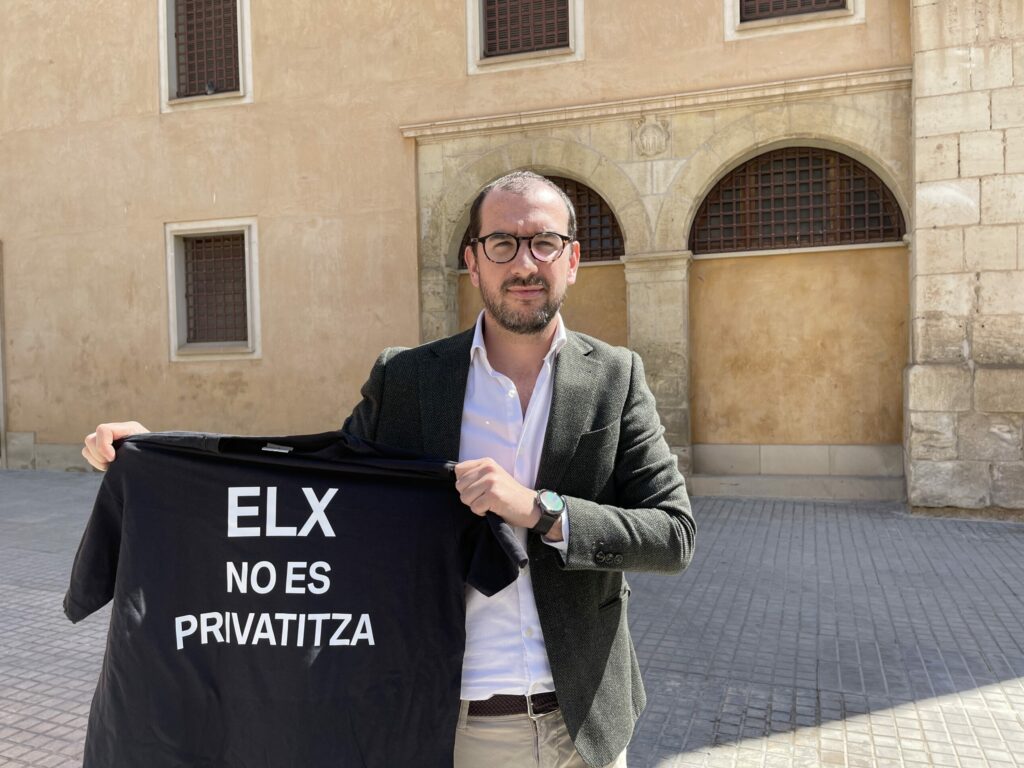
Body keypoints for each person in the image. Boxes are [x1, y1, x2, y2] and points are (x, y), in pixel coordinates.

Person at [83, 170, 696, 768]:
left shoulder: (616, 377)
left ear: (573, 258)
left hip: (583, 726)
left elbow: (673, 534)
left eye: (545, 242)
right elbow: (316, 490)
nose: (524, 263)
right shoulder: (407, 379)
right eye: (502, 244)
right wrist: (159, 457)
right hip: (445, 726)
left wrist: (539, 508)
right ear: (473, 261)